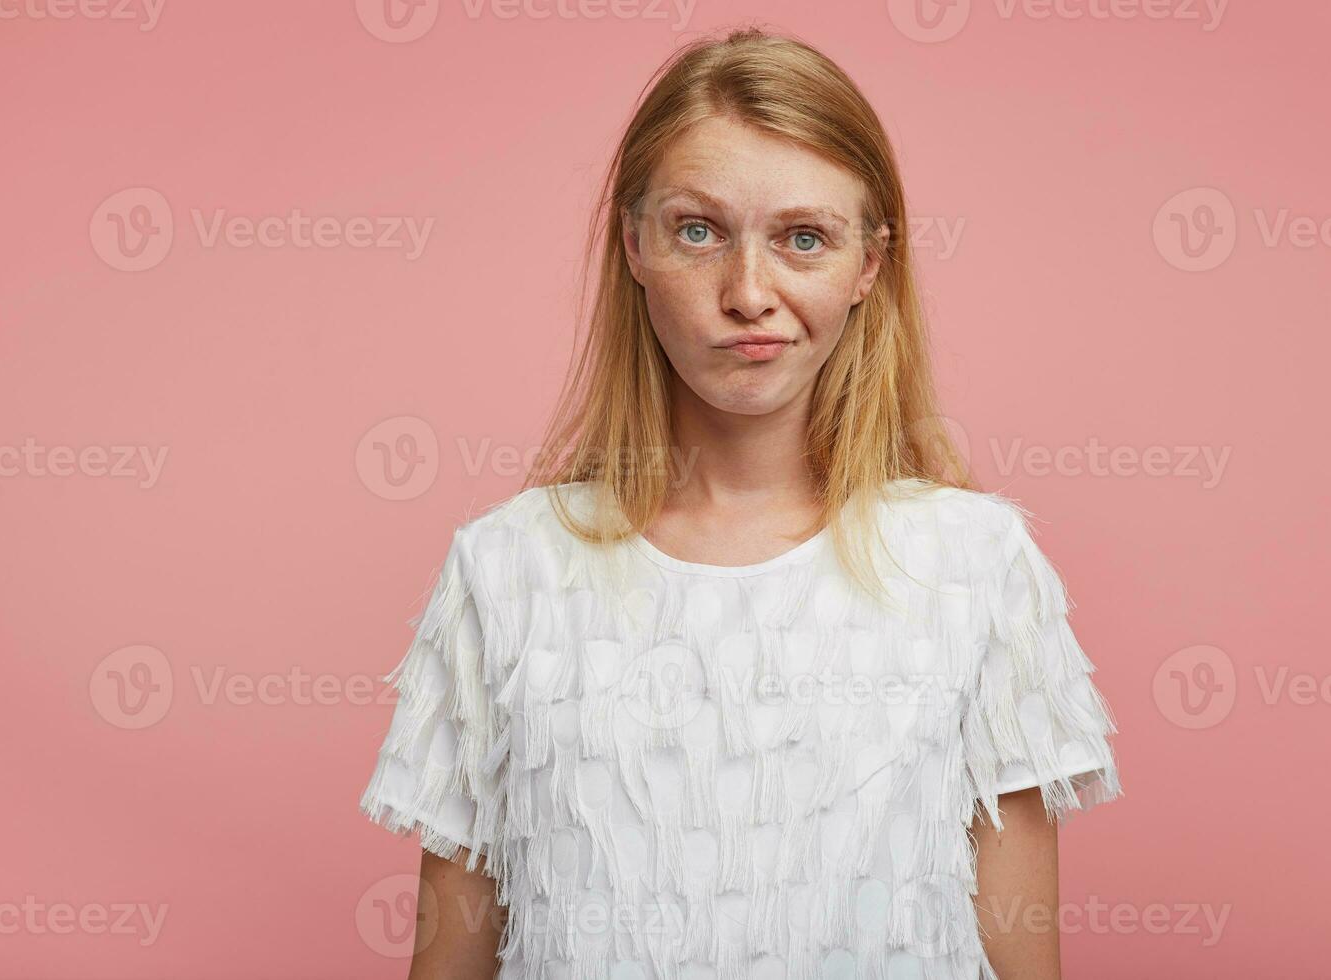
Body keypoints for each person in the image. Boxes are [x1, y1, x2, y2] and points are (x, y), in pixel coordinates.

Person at [358, 26, 1122, 980]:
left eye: (804, 239)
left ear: (868, 267)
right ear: (633, 243)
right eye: (699, 230)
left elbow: (1019, 959)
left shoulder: (975, 566)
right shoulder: (506, 572)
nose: (749, 292)